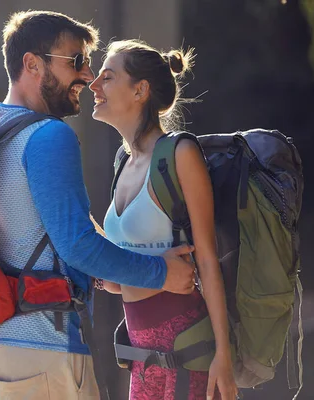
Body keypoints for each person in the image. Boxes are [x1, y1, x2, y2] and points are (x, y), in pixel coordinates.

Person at [0, 11, 197, 400]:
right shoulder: (48, 135)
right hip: (44, 353)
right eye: (75, 61)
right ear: (32, 64)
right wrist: (164, 274)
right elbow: (78, 246)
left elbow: (48, 233)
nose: (87, 76)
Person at [89, 39, 238, 400]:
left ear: (140, 90)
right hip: (140, 357)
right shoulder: (121, 162)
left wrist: (224, 355)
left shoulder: (180, 153)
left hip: (188, 351)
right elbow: (127, 258)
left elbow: (206, 257)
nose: (94, 86)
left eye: (107, 77)